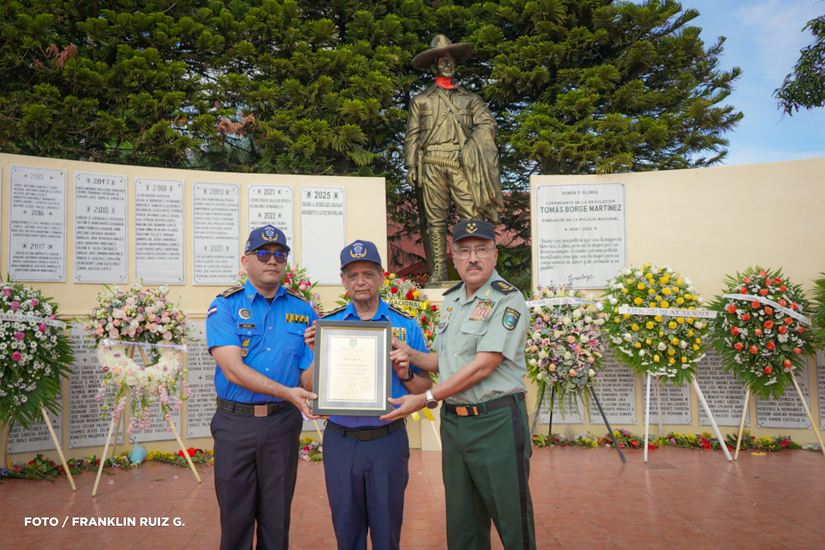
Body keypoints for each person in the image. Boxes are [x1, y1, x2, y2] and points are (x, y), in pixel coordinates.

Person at [382, 219, 536, 550]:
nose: (473, 258)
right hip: (456, 425)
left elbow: (483, 365)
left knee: (512, 522)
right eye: (464, 251)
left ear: (495, 255)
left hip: (496, 423)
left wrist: (426, 397)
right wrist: (409, 353)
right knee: (463, 525)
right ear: (453, 256)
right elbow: (447, 360)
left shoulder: (507, 300)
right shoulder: (452, 300)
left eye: (481, 249)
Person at [304, 239, 432, 550]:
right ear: (343, 280)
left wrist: (407, 373)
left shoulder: (404, 324)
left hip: (387, 440)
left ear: (381, 277)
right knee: (346, 529)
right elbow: (308, 387)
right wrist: (317, 354)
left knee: (388, 529)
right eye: (352, 275)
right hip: (341, 441)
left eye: (368, 273)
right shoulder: (326, 326)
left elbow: (427, 389)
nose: (360, 281)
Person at [206, 224, 319, 550]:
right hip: (235, 425)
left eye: (280, 254)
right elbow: (232, 370)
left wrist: (322, 358)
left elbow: (309, 376)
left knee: (277, 520)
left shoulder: (303, 309)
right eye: (264, 253)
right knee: (235, 521)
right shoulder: (225, 305)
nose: (273, 260)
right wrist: (288, 392)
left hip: (282, 425)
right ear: (246, 261)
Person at [405, 35, 504, 285]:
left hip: (461, 163)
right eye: (442, 60)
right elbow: (412, 135)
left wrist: (474, 143)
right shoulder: (421, 100)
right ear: (433, 67)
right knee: (435, 219)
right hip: (431, 163)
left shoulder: (469, 99)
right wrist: (411, 166)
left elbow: (488, 123)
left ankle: (474, 270)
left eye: (450, 60)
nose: (447, 64)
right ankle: (439, 272)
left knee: (471, 216)